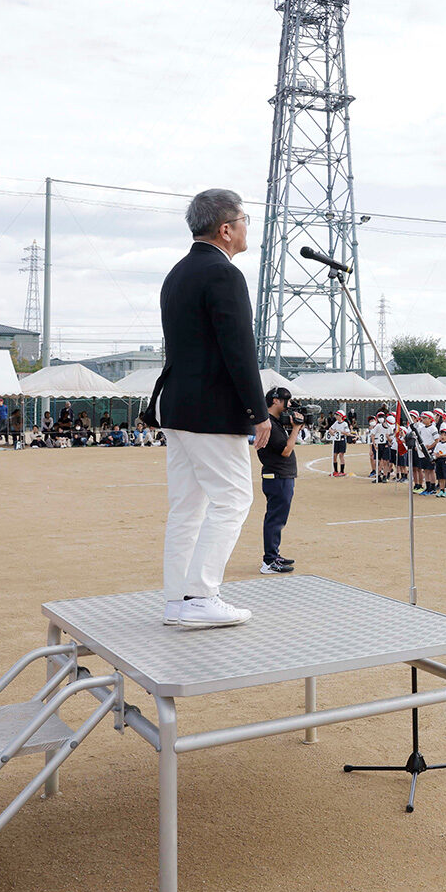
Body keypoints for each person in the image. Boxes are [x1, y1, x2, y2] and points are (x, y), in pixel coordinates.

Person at [152, 189, 270, 629]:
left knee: (186, 506)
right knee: (234, 498)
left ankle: (176, 600)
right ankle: (201, 595)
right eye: (244, 219)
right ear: (226, 228)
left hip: (176, 405)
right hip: (211, 409)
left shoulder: (178, 273)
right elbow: (238, 349)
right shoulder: (224, 274)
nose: (245, 227)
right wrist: (258, 411)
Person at [257, 387, 301, 575]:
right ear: (276, 401)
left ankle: (274, 554)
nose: (289, 405)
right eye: (287, 400)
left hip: (279, 476)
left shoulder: (272, 423)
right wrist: (296, 429)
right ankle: (269, 561)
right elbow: (286, 450)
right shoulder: (270, 425)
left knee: (277, 519)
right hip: (278, 476)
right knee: (275, 519)